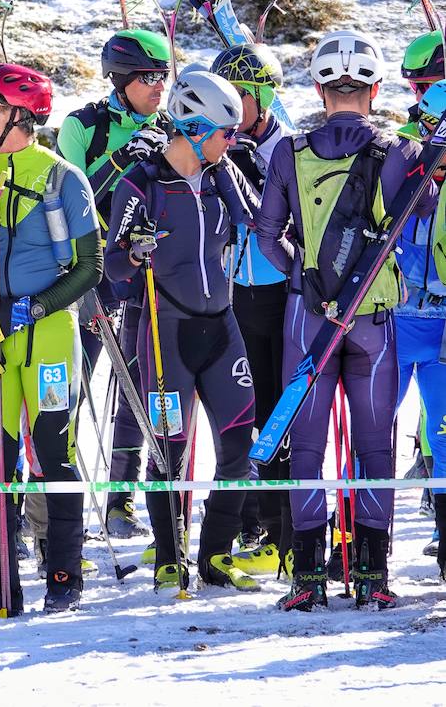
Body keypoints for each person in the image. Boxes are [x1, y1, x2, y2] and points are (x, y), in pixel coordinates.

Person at [257, 30, 436, 611]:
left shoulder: (289, 150)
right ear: (375, 88)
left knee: (306, 445)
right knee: (374, 447)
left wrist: (304, 281)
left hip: (307, 318)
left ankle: (307, 578)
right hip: (375, 316)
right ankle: (371, 575)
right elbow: (424, 211)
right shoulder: (404, 152)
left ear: (318, 87)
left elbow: (267, 236)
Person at [0, 64, 99, 615]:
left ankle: (64, 574)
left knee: (56, 453)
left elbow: (89, 266)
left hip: (48, 336)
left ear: (18, 116)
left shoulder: (61, 177)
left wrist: (27, 310)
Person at [105, 70, 260, 594]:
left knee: (240, 444)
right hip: (162, 332)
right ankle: (170, 558)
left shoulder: (223, 175)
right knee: (168, 449)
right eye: (226, 133)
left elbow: (262, 223)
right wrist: (134, 251)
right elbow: (113, 269)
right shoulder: (141, 182)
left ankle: (216, 555)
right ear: (194, 128)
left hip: (221, 327)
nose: (232, 142)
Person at [57, 28, 171, 539]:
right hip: (90, 274)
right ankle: (54, 502)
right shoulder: (83, 126)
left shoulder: (172, 123)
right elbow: (69, 198)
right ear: (121, 80)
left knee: (137, 387)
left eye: (163, 76)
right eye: (149, 77)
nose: (159, 86)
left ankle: (120, 500)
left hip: (148, 272)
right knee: (73, 391)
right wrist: (123, 159)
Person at [212, 43, 293, 578]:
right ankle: (246, 521)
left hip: (278, 293)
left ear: (260, 97)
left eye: (236, 97)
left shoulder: (285, 145)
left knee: (273, 411)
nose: (227, 108)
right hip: (230, 291)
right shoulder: (221, 142)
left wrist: (250, 172)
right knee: (236, 413)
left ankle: (284, 532)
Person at [401, 80, 446, 576]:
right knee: (373, 435)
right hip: (393, 323)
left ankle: (443, 531)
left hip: (443, 330)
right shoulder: (402, 169)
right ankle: (354, 543)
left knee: (443, 432)